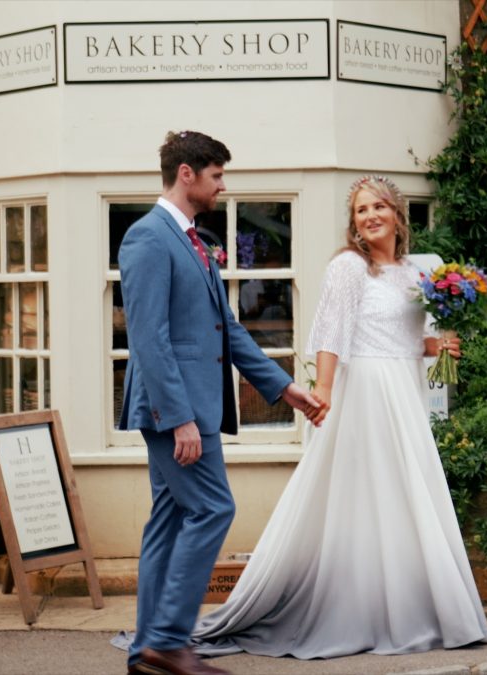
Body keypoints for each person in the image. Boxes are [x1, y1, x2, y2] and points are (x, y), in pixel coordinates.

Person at [191, 175, 487, 659]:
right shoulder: (349, 268)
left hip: (405, 394)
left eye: (378, 206)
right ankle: (361, 610)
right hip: (366, 392)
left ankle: (416, 607)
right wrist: (323, 391)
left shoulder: (415, 274)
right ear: (353, 222)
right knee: (366, 495)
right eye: (360, 210)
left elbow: (400, 338)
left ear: (397, 213)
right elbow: (333, 332)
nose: (369, 216)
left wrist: (436, 346)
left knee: (404, 495)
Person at [118, 130, 322, 675]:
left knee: (169, 519)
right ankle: (167, 641)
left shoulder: (194, 240)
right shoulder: (147, 238)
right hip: (175, 409)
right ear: (186, 174)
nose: (222, 186)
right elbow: (150, 338)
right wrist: (179, 417)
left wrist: (284, 389)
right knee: (214, 508)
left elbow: (226, 329)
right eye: (216, 176)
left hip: (192, 406)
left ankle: (147, 654)